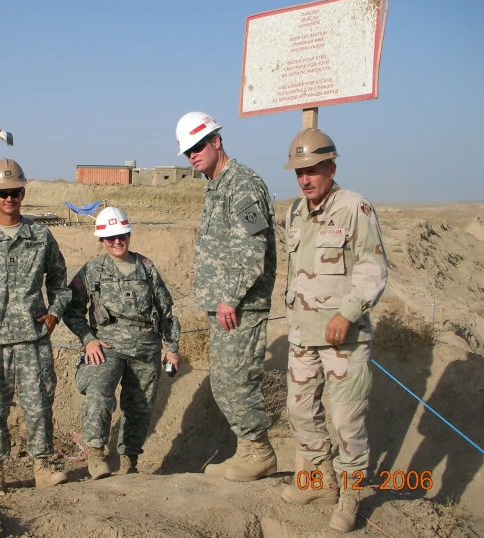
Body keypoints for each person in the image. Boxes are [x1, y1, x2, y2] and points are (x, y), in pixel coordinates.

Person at [280, 129, 387, 533]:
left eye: (312, 171)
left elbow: (372, 270)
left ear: (331, 167)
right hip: (302, 337)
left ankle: (351, 493)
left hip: (344, 339)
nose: (305, 179)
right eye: (299, 172)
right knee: (299, 412)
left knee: (345, 421)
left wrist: (347, 312)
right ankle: (320, 482)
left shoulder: (354, 208)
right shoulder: (294, 212)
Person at [0, 158, 72, 498]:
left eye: (16, 192)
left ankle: (42, 468)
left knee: (39, 404)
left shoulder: (39, 235)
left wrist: (54, 312)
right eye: (4, 193)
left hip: (33, 337)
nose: (10, 199)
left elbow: (60, 281)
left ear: (23, 193)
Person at [176, 111, 277, 481]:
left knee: (237, 379)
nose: (193, 155)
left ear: (216, 141)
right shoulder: (216, 185)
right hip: (224, 304)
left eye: (199, 146)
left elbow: (254, 247)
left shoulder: (243, 184)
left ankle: (259, 452)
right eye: (188, 151)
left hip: (240, 305)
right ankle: (248, 449)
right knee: (225, 381)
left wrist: (230, 297)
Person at [62, 207, 181, 479]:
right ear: (102, 241)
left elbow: (165, 311)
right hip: (107, 348)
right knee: (99, 394)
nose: (117, 242)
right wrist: (88, 339)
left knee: (139, 408)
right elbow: (72, 308)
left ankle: (129, 462)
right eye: (110, 237)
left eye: (121, 236)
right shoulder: (92, 270)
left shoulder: (147, 268)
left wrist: (171, 348)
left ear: (129, 235)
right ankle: (95, 456)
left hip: (145, 349)